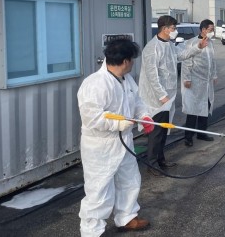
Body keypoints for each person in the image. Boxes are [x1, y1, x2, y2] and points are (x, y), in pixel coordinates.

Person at [77, 38, 155, 236]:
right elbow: (92, 118)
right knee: (99, 190)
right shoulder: (95, 84)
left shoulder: (126, 80)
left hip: (124, 142)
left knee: (129, 180)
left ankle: (127, 217)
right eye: (133, 59)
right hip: (100, 146)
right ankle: (92, 231)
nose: (133, 63)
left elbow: (136, 101)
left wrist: (144, 116)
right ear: (126, 61)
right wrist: (118, 124)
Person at [138, 15, 208, 175]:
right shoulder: (152, 48)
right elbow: (152, 75)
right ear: (165, 29)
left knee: (164, 130)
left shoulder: (168, 45)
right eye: (173, 28)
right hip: (156, 99)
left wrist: (198, 47)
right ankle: (152, 165)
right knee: (156, 132)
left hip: (167, 97)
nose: (175, 31)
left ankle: (161, 160)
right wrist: (162, 96)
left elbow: (181, 55)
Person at [181, 19, 218, 147]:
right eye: (210, 29)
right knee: (193, 108)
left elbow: (212, 61)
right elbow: (186, 61)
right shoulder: (192, 42)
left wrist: (214, 74)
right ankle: (188, 136)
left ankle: (201, 133)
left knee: (205, 106)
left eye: (212, 30)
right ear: (203, 30)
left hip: (206, 82)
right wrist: (187, 78)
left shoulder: (211, 43)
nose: (212, 32)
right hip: (195, 81)